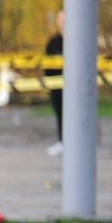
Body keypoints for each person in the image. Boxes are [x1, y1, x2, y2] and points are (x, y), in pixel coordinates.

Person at [44, 9, 64, 156]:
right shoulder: (53, 43)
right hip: (57, 87)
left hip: (73, 88)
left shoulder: (77, 41)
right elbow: (47, 65)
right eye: (61, 19)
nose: (63, 23)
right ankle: (62, 141)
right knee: (60, 115)